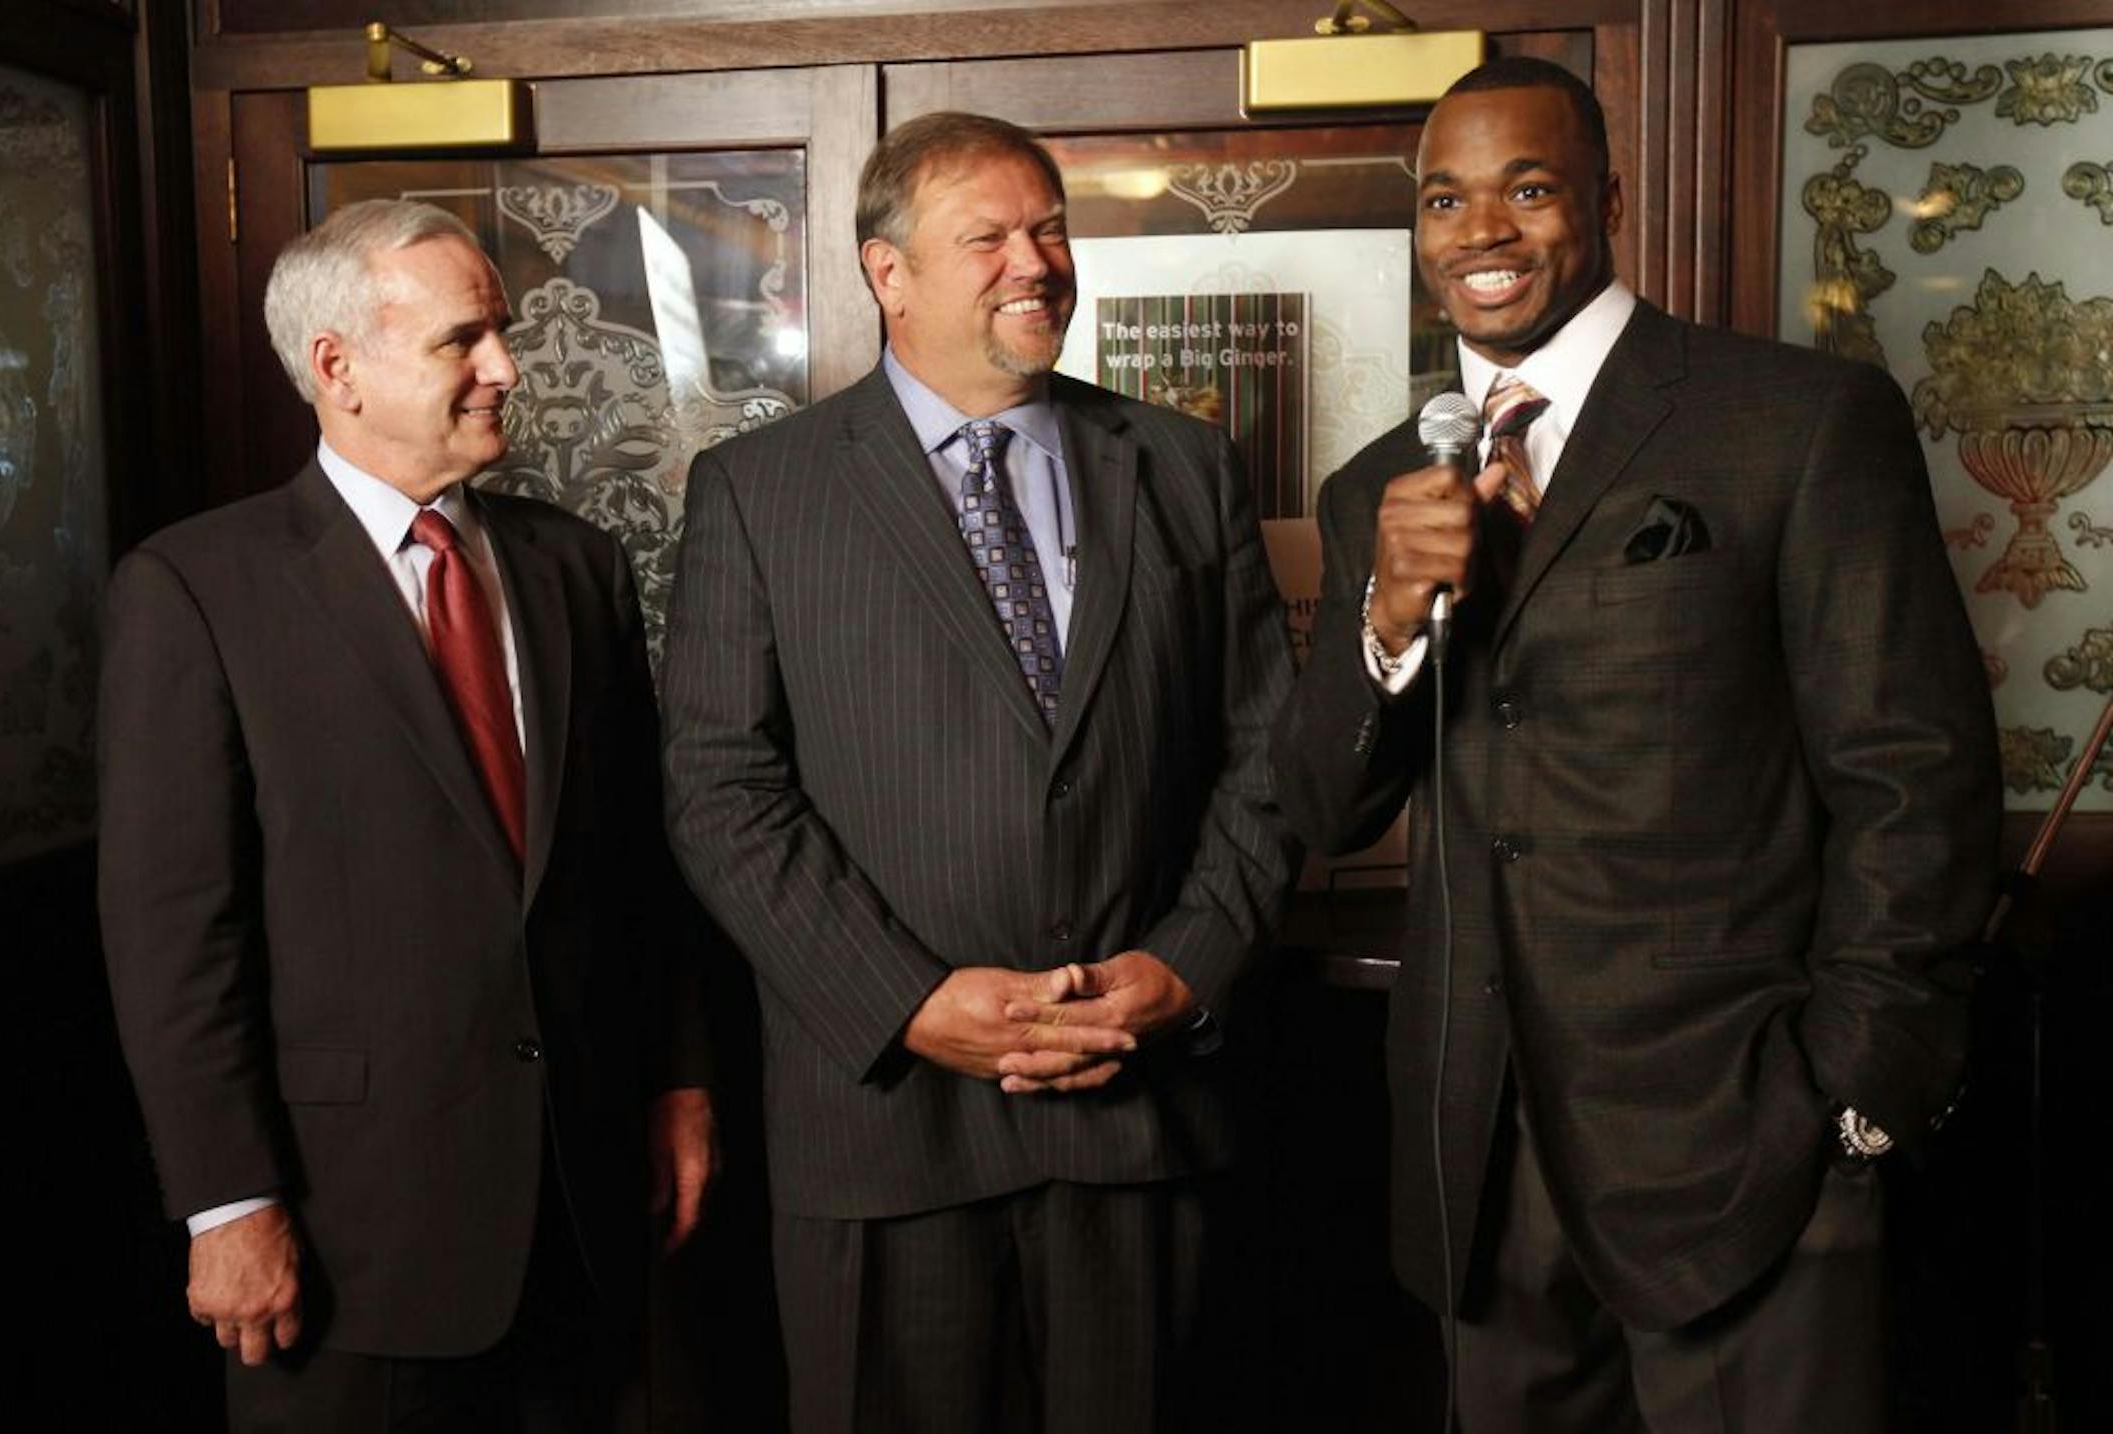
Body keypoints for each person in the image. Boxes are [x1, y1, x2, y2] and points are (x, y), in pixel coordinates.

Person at [1272, 57, 2001, 1433]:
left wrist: (1856, 1090)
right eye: (1444, 200)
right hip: (1479, 1167)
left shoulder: (1797, 419)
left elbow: (1916, 777)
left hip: (1744, 1145)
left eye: (1527, 189)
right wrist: (1385, 618)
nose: (1480, 232)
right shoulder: (1378, 485)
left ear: (1607, 202)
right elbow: (1320, 804)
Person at [660, 111, 1296, 1432]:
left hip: (1140, 1113)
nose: (1037, 262)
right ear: (887, 272)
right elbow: (721, 791)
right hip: (886, 1134)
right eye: (989, 237)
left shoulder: (1183, 465)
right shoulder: (759, 492)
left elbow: (1266, 753)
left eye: (1051, 229)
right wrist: (907, 1001)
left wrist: (1188, 963)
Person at [99, 199, 716, 1433]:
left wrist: (681, 1084)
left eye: (501, 332)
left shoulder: (574, 566)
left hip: (588, 1208)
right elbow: (175, 935)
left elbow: (639, 864)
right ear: (336, 367)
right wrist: (229, 1204)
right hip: (350, 1237)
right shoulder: (196, 590)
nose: (506, 368)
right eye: (461, 340)